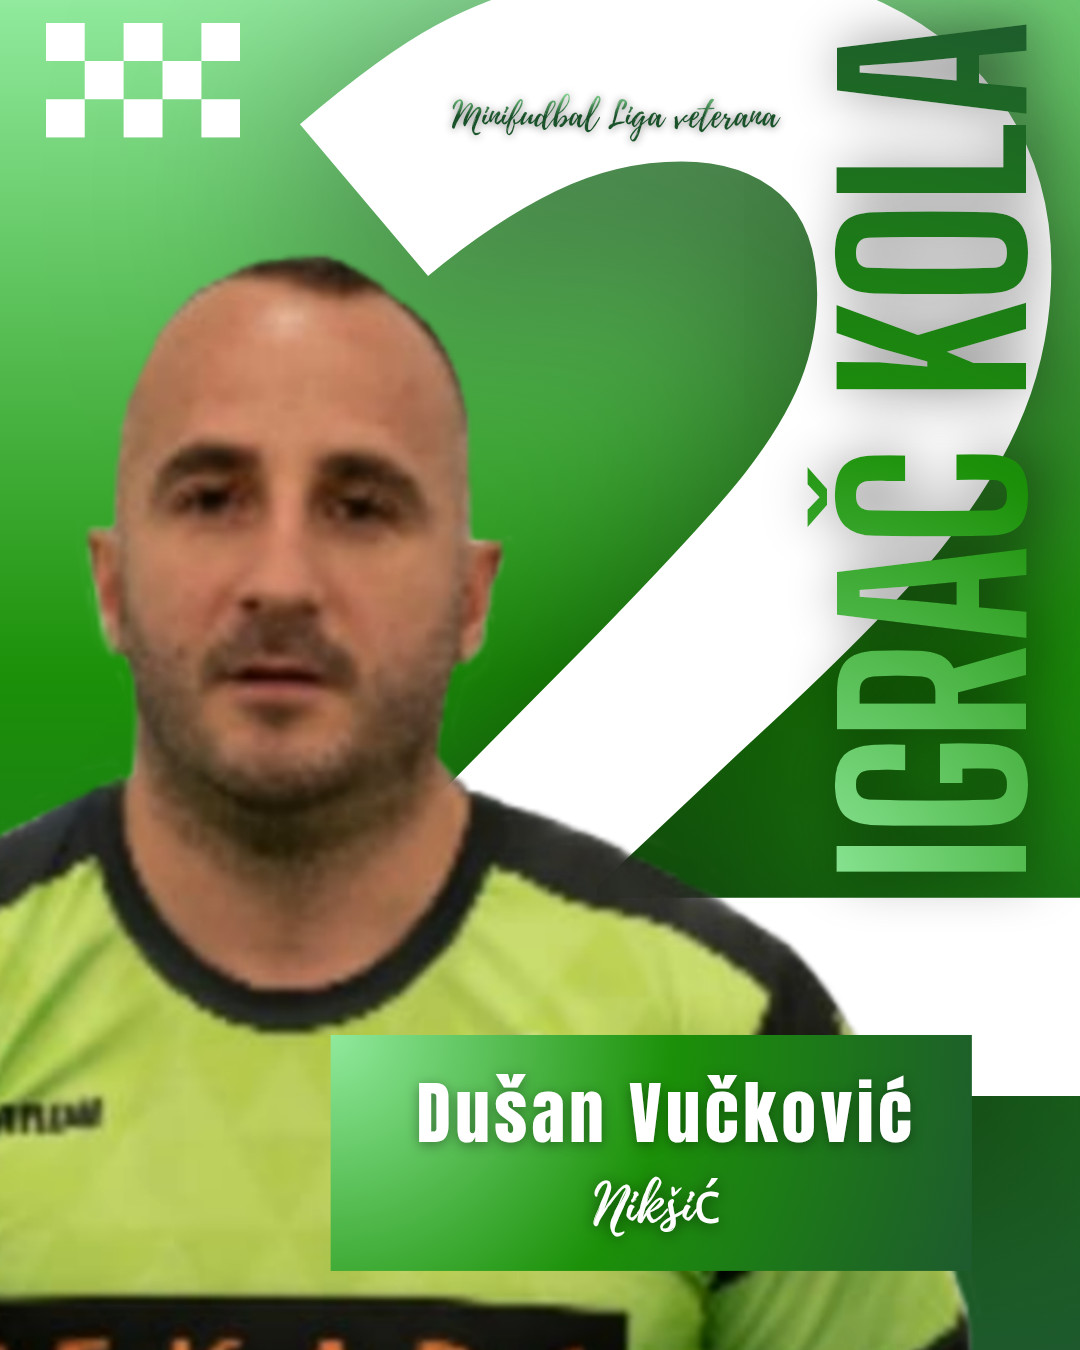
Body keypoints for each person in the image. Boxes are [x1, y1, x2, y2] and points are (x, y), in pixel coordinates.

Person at [0, 258, 966, 1348]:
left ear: (470, 596)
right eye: (213, 499)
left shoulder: (742, 1045)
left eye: (361, 507)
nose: (282, 581)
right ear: (110, 581)